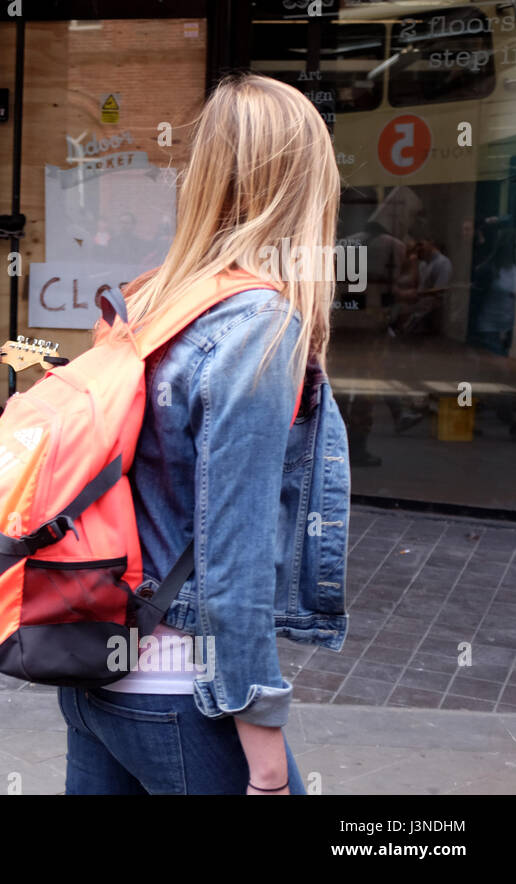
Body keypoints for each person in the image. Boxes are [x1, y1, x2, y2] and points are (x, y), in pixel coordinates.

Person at [56, 73, 350, 795]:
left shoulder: (154, 296)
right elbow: (234, 564)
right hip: (177, 694)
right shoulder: (258, 327)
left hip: (96, 672)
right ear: (304, 186)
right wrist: (267, 753)